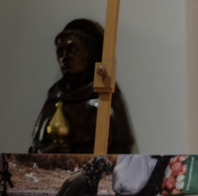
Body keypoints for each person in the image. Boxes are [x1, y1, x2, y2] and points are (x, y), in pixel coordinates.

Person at [29, 19, 134, 154]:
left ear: (90, 54)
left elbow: (123, 148)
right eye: (60, 52)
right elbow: (36, 149)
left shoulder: (106, 96)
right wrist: (53, 150)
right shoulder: (55, 99)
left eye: (72, 50)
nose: (65, 58)